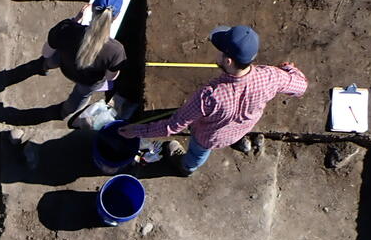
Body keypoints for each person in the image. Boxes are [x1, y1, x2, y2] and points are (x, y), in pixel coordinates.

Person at [118, 25, 307, 176]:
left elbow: (172, 126)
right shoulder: (271, 76)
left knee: (197, 152)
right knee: (202, 152)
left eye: (220, 51)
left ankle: (185, 167)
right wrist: (290, 69)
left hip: (207, 136)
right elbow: (301, 87)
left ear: (228, 61)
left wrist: (135, 131)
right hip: (239, 130)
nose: (217, 53)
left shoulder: (208, 96)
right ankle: (193, 165)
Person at [40, 0, 126, 121]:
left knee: (52, 59)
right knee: (80, 97)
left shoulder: (66, 28)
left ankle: (44, 68)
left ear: (91, 8)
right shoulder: (116, 50)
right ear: (117, 16)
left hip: (65, 66)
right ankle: (64, 112)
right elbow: (110, 78)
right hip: (87, 81)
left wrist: (74, 21)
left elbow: (46, 53)